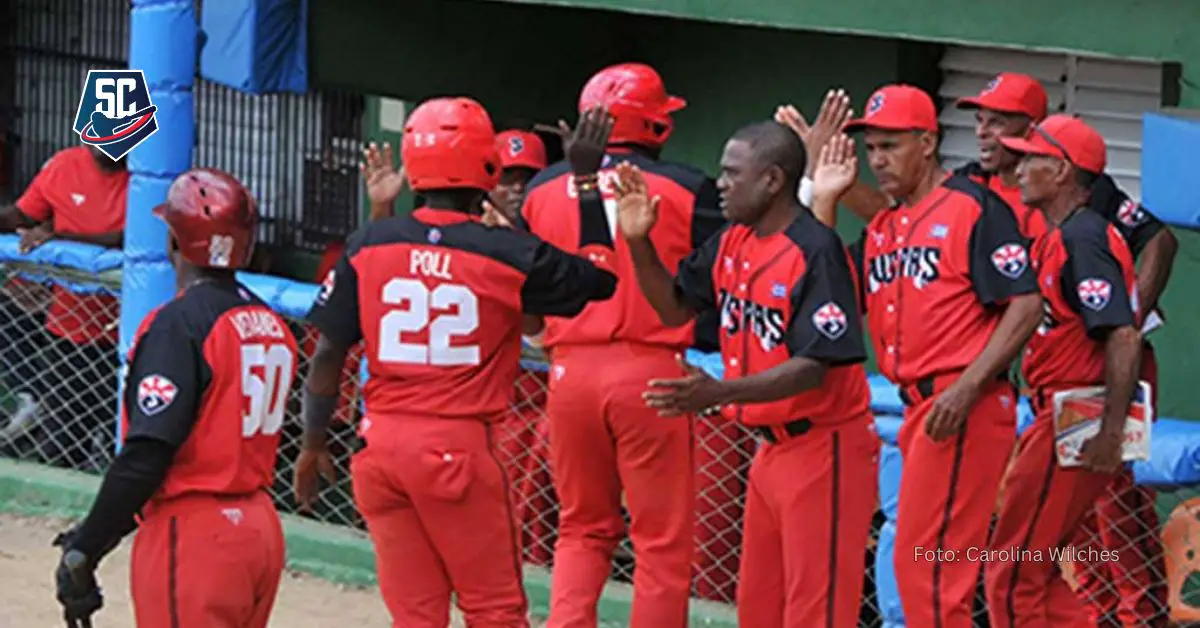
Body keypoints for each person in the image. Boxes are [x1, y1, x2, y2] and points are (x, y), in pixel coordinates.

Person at [294, 96, 617, 627]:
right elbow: (599, 278)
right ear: (484, 165)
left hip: (380, 449)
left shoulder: (369, 240)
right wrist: (584, 181)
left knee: (415, 616)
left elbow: (329, 350)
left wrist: (311, 442)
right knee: (494, 613)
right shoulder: (505, 250)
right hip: (457, 452)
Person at [616, 120, 879, 626]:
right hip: (770, 449)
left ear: (773, 180)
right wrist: (638, 243)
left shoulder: (815, 249)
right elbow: (673, 310)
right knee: (758, 607)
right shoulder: (732, 241)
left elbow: (815, 366)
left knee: (815, 612)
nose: (721, 182)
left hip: (824, 447)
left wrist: (719, 391)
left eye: (733, 173)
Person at [811, 84, 1043, 628]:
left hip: (963, 405)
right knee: (920, 571)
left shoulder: (971, 208)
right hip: (920, 408)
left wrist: (968, 386)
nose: (878, 160)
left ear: (927, 141)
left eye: (891, 146)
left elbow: (1026, 304)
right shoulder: (887, 227)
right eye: (872, 149)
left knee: (931, 577)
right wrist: (824, 199)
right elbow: (827, 299)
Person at [518, 62, 726, 627]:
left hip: (568, 374)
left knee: (581, 527)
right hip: (651, 374)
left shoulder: (539, 187)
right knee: (660, 541)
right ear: (656, 126)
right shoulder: (689, 187)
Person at [51, 168, 296, 627]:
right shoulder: (271, 323)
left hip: (197, 536)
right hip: (258, 530)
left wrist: (87, 548)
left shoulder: (178, 324)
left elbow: (148, 454)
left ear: (174, 242)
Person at [982, 114, 1146, 628]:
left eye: (1030, 158)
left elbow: (1122, 334)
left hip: (1077, 415)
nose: (1019, 166)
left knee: (1011, 575)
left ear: (1061, 171)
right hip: (1060, 414)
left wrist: (1110, 430)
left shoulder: (1084, 237)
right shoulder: (1064, 235)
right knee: (1037, 568)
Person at [0, 144, 128, 470]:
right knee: (61, 448)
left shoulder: (151, 171)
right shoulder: (66, 164)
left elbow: (136, 239)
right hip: (69, 333)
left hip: (131, 341)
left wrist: (56, 235)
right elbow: (22, 215)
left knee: (127, 452)